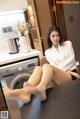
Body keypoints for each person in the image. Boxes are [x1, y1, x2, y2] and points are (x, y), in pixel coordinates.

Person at [3, 26, 80, 103]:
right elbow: (54, 66)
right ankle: (26, 93)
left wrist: (63, 71)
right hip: (58, 76)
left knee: (46, 66)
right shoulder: (48, 52)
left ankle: (41, 88)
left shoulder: (68, 44)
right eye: (53, 36)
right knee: (38, 68)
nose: (55, 38)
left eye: (57, 35)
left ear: (60, 36)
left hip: (72, 74)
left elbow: (71, 60)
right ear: (49, 38)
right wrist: (61, 70)